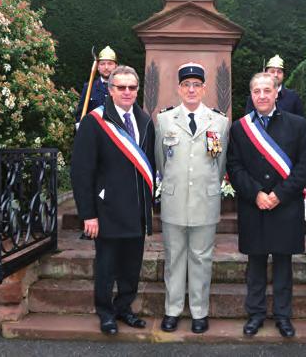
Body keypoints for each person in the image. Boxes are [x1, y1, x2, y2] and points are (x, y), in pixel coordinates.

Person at [71, 65, 155, 335]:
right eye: (121, 87)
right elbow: (81, 172)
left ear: (137, 90)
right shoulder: (94, 122)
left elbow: (148, 165)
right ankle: (105, 312)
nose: (127, 92)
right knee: (106, 267)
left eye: (132, 87)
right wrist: (88, 214)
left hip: (136, 210)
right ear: (110, 90)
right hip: (106, 211)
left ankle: (124, 308)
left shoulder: (145, 121)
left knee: (132, 266)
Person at [227, 72, 306, 338]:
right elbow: (234, 166)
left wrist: (279, 195)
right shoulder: (240, 128)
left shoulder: (298, 125)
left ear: (277, 93)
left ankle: (284, 316)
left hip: (285, 205)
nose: (262, 96)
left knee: (284, 264)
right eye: (256, 91)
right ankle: (256, 314)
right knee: (256, 262)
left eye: (267, 90)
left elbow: (304, 166)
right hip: (255, 205)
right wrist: (256, 194)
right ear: (251, 95)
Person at [155, 63, 229, 334]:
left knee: (201, 258)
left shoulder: (219, 121)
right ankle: (172, 310)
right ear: (179, 88)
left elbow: (219, 164)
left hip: (205, 201)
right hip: (174, 201)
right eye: (186, 85)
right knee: (174, 257)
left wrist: (206, 185)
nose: (191, 89)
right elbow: (161, 161)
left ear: (204, 88)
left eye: (196, 85)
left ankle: (199, 312)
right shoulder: (164, 120)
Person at [75, 45, 117, 124]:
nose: (106, 67)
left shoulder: (123, 88)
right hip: (94, 133)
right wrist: (79, 125)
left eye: (110, 64)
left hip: (114, 134)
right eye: (102, 64)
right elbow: (80, 113)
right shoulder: (89, 87)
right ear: (97, 67)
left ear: (116, 66)